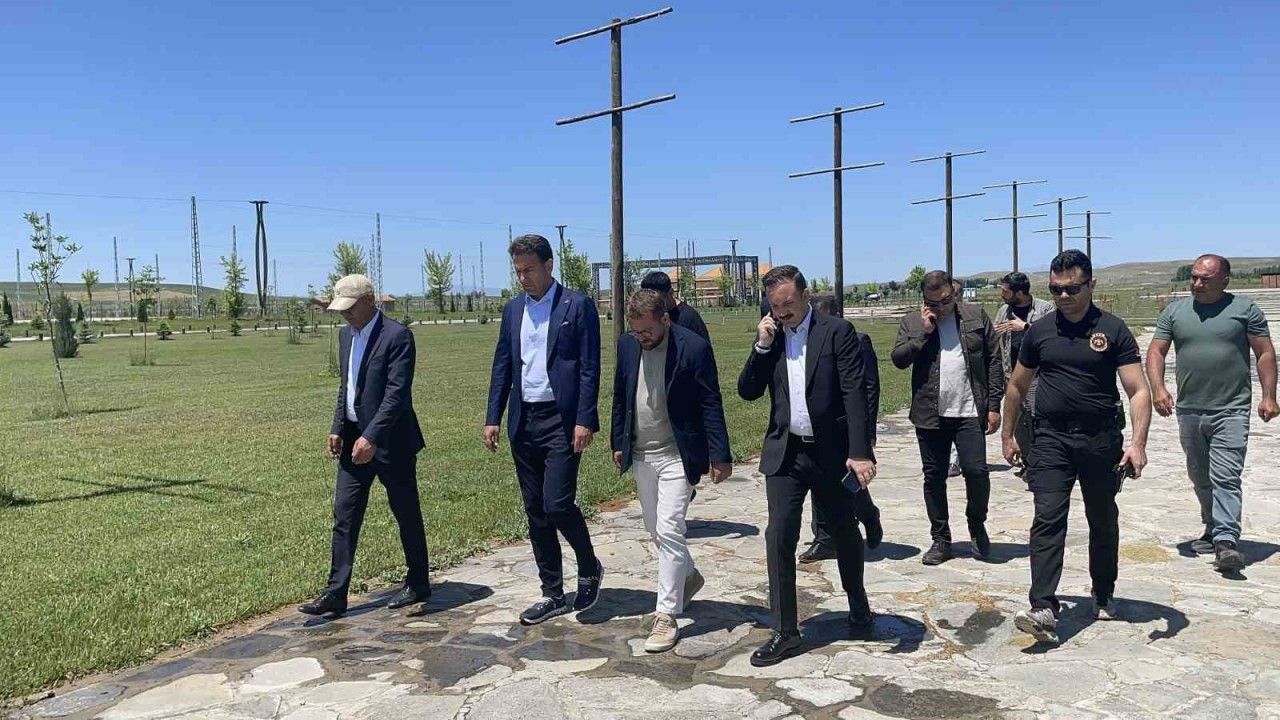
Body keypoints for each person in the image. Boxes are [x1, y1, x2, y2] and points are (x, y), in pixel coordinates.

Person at [1002, 249, 1151, 645]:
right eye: (1056, 290)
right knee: (1048, 517)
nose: (1064, 297)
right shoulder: (1040, 331)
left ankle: (1103, 591)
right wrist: (1007, 435)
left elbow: (1138, 390)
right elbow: (1017, 385)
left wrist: (1138, 443)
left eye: (1072, 289)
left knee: (1101, 518)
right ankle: (1043, 606)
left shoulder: (1112, 329)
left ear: (1091, 285)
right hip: (1051, 439)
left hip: (1100, 440)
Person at [738, 265, 877, 667]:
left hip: (831, 453)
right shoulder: (773, 336)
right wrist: (762, 345)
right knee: (779, 535)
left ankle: (857, 602)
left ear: (805, 295)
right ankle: (785, 631)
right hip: (787, 453)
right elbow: (747, 391)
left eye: (788, 304)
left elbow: (853, 392)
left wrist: (860, 451)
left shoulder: (836, 332)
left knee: (843, 532)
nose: (782, 312)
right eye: (775, 306)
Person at [484, 234, 604, 626]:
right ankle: (552, 593)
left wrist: (585, 418)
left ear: (549, 265)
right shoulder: (512, 310)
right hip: (524, 421)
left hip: (562, 420)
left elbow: (589, 367)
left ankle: (589, 566)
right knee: (535, 510)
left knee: (557, 503)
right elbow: (503, 365)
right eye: (518, 271)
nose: (523, 278)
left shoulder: (577, 305)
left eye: (529, 270)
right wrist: (493, 416)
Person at [300, 274, 430, 618]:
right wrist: (338, 427)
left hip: (391, 442)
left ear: (370, 301)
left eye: (351, 307)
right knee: (344, 514)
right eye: (340, 308)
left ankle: (418, 582)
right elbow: (347, 387)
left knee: (405, 512)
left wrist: (371, 437)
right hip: (353, 440)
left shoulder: (397, 336)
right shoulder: (346, 336)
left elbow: (396, 395)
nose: (345, 314)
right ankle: (336, 592)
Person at [610, 289, 733, 652]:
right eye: (636, 331)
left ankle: (666, 614)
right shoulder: (627, 345)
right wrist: (618, 441)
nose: (641, 337)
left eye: (647, 331)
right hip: (641, 453)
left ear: (665, 319)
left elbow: (711, 401)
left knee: (669, 527)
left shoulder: (693, 348)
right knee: (655, 530)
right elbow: (621, 395)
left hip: (678, 453)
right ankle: (688, 576)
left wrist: (720, 455)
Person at [1146, 254, 1276, 573]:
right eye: (1193, 277)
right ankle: (1213, 526)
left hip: (1231, 408)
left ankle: (1226, 541)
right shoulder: (1175, 311)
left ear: (1224, 281)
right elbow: (1156, 351)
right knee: (1200, 475)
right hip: (1189, 409)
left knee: (1226, 475)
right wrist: (1158, 388)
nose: (1196, 284)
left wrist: (1269, 396)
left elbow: (1264, 352)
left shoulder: (1245, 310)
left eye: (1205, 279)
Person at [891, 271, 1003, 566]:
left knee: (976, 472)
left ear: (953, 292)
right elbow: (899, 359)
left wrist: (993, 405)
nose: (941, 308)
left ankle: (977, 525)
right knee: (934, 476)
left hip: (969, 410)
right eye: (933, 303)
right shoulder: (913, 322)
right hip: (930, 413)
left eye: (945, 301)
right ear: (924, 300)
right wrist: (923, 332)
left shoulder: (975, 316)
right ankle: (941, 538)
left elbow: (994, 359)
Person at [797, 295, 884, 561]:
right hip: (818, 428)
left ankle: (868, 514)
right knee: (818, 481)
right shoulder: (807, 343)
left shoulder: (858, 340)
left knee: (850, 482)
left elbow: (869, 387)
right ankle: (824, 539)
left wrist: (867, 431)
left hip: (848, 427)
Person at [994, 272, 1055, 482]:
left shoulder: (1045, 309)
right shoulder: (1004, 310)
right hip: (1011, 375)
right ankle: (1029, 462)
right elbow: (994, 337)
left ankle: (1040, 464)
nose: (1001, 295)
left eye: (1005, 291)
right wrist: (994, 333)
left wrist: (1026, 327)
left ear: (1019, 293)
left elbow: (1052, 336)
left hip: (1037, 376)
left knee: (1036, 420)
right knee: (1018, 421)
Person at [640, 270, 710, 342]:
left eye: (656, 299)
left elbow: (703, 347)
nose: (652, 303)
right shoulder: (651, 315)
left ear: (671, 292)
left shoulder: (689, 317)